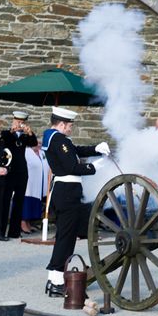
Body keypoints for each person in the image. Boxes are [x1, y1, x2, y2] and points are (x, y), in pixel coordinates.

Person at [43, 106, 110, 297]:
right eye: (70, 125)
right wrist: (93, 167)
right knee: (65, 238)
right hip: (66, 193)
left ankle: (56, 279)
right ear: (62, 124)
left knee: (68, 237)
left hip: (67, 192)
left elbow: (76, 151)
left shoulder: (59, 140)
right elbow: (72, 166)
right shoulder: (58, 140)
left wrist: (96, 149)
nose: (71, 128)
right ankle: (55, 281)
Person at [1, 111, 38, 239]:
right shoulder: (7, 134)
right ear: (13, 121)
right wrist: (12, 130)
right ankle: (1, 231)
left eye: (21, 122)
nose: (19, 124)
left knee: (19, 201)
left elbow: (33, 142)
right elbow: (3, 140)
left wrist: (29, 132)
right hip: (9, 171)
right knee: (5, 200)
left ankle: (14, 231)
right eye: (17, 122)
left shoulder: (24, 136)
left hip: (22, 172)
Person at [21, 140, 50, 234]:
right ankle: (22, 223)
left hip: (39, 183)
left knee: (35, 204)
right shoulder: (26, 152)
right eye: (36, 142)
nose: (38, 144)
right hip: (29, 183)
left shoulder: (42, 153)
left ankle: (29, 223)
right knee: (26, 203)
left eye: (40, 143)